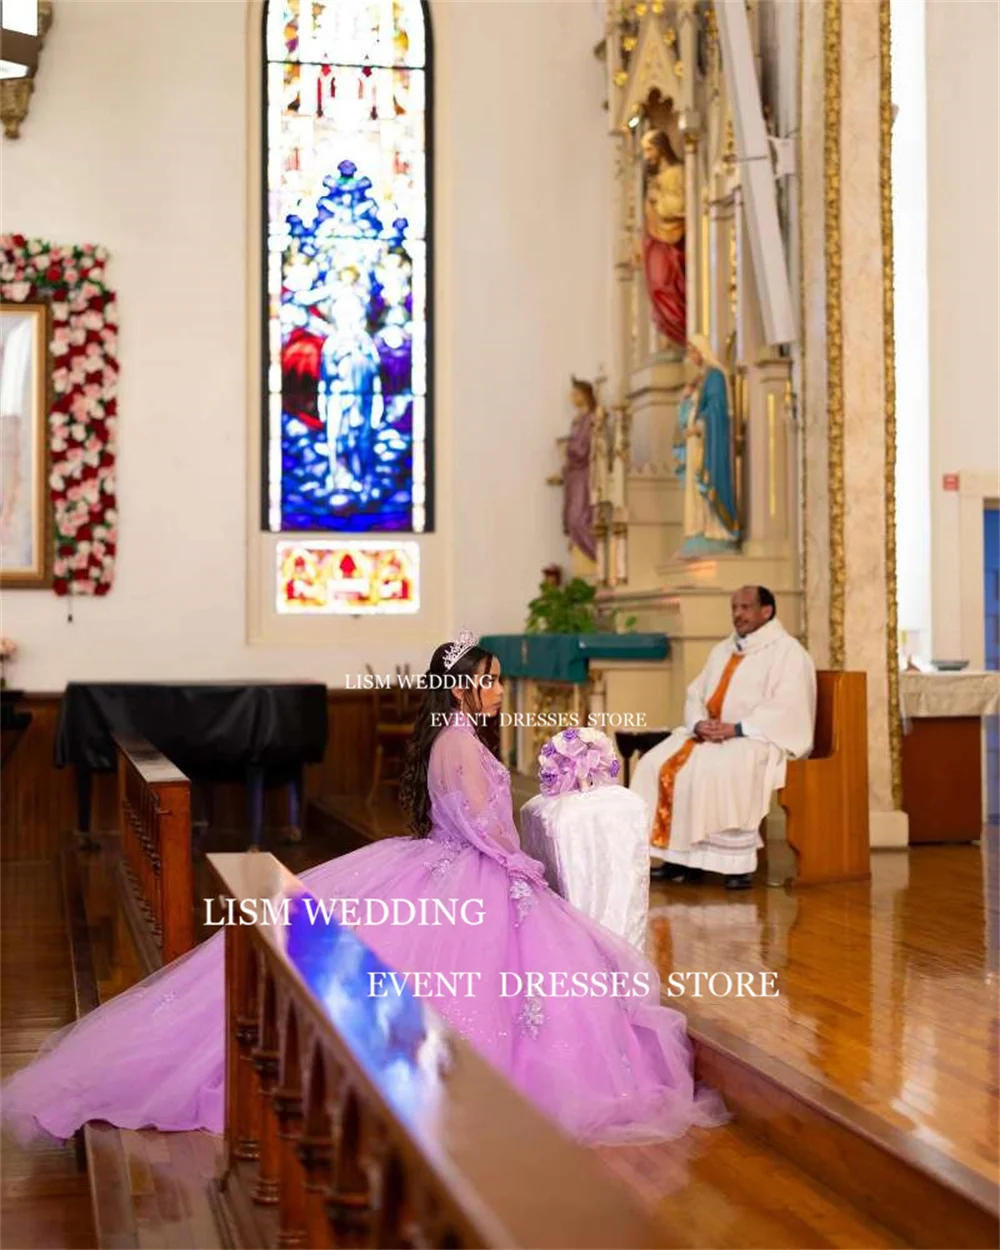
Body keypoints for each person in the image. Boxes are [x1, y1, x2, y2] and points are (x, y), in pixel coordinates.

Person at [1, 635, 725, 1147]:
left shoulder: (452, 737)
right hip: (469, 873)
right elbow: (478, 824)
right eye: (492, 677)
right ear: (463, 685)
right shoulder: (463, 744)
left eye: (500, 677)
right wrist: (524, 867)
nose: (500, 688)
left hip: (439, 865)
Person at [631, 587, 816, 890]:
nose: (738, 614)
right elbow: (696, 693)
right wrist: (699, 722)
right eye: (734, 608)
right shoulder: (724, 649)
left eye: (745, 607)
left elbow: (789, 705)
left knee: (718, 771)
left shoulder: (787, 652)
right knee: (653, 763)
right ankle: (677, 858)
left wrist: (739, 728)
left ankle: (735, 865)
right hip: (710, 734)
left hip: (757, 737)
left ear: (766, 611)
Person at [677, 336, 739, 556]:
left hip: (709, 441)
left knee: (706, 481)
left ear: (702, 351)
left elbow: (717, 409)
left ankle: (716, 529)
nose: (690, 356)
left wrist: (700, 426)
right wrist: (685, 399)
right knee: (694, 487)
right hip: (695, 441)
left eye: (693, 350)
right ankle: (698, 529)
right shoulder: (699, 379)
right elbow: (688, 413)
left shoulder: (715, 376)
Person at [640, 128, 686, 348]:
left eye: (649, 148)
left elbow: (682, 206)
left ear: (661, 147)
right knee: (656, 286)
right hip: (656, 241)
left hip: (671, 241)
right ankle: (670, 335)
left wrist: (658, 199)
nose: (647, 155)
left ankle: (679, 332)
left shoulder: (678, 173)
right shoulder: (655, 178)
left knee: (665, 285)